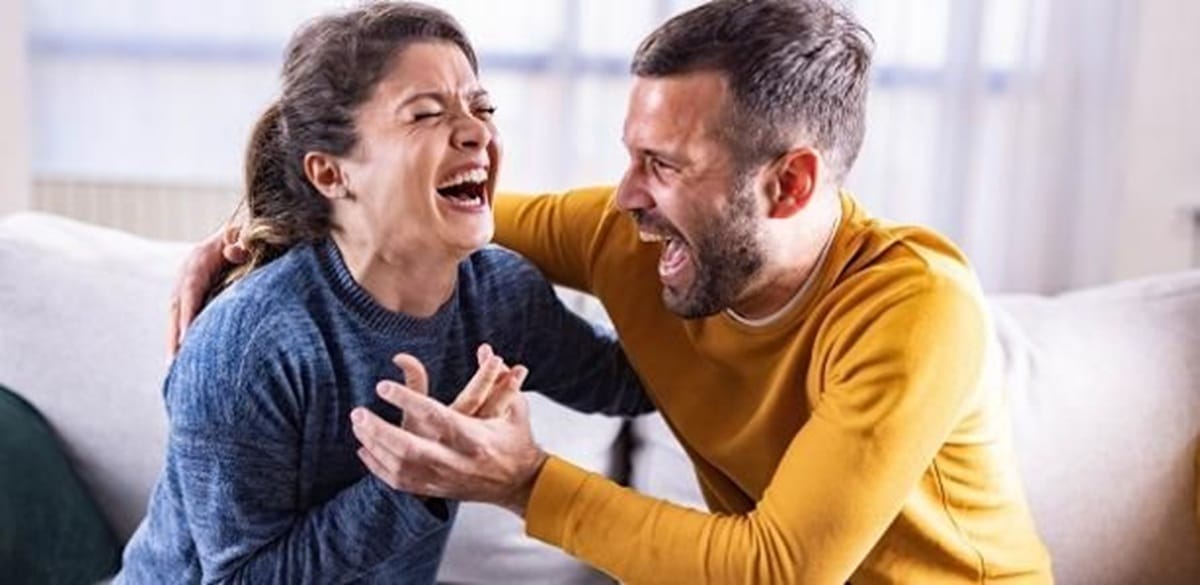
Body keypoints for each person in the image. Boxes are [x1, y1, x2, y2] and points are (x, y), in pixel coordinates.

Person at [174, 0, 1053, 583]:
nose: (624, 194)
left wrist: (520, 483)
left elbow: (778, 570)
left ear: (786, 186)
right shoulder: (632, 234)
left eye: (662, 165)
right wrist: (251, 234)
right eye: (631, 154)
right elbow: (405, 209)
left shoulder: (915, 309)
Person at [122, 3, 647, 583]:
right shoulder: (250, 345)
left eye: (483, 107)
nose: (478, 131)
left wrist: (727, 261)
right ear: (330, 174)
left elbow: (636, 383)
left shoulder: (499, 295)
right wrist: (411, 485)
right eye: (425, 114)